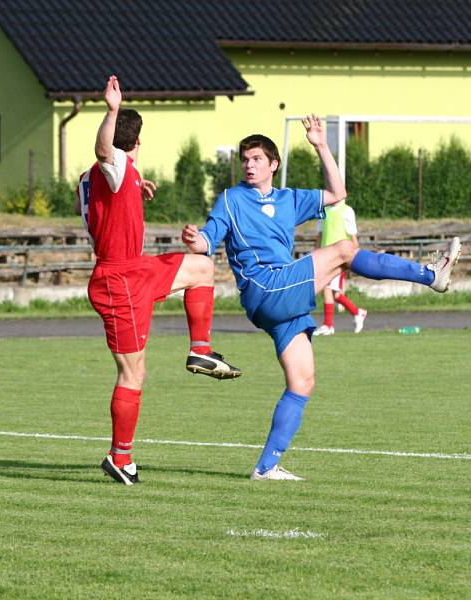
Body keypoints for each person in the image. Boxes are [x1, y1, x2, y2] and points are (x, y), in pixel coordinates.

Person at [182, 116, 462, 481]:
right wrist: (195, 240)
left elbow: (337, 193)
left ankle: (266, 467)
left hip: (283, 298)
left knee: (302, 382)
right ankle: (430, 276)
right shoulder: (232, 199)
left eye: (256, 159)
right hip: (265, 287)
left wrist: (320, 145)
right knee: (345, 249)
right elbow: (208, 238)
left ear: (273, 164)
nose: (249, 165)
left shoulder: (289, 199)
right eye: (245, 159)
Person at [75, 75, 242, 486]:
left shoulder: (118, 174)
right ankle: (120, 458)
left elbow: (102, 190)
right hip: (119, 279)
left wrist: (134, 185)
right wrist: (112, 110)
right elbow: (103, 153)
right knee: (133, 375)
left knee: (202, 266)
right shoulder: (111, 164)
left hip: (136, 268)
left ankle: (201, 351)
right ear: (136, 141)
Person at [313, 200, 367, 335]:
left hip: (340, 258)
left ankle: (328, 326)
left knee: (326, 288)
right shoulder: (323, 211)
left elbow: (353, 238)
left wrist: (357, 262)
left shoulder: (347, 211)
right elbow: (320, 235)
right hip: (325, 257)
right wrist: (315, 252)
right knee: (336, 294)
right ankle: (358, 312)